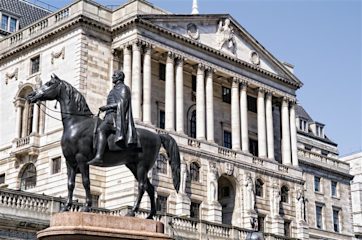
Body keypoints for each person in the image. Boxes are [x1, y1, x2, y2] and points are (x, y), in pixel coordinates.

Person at [88, 70, 138, 165]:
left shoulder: (124, 88)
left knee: (101, 129)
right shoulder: (114, 90)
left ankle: (99, 157)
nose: (112, 77)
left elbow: (123, 104)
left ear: (119, 77)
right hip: (109, 115)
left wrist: (107, 107)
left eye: (114, 75)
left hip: (115, 117)